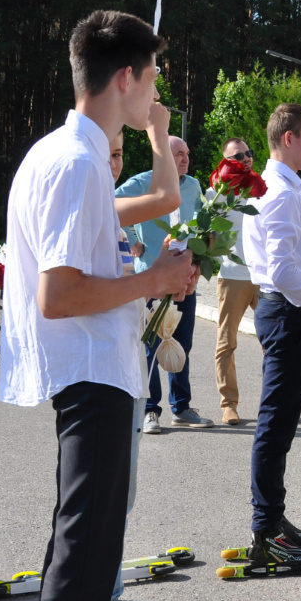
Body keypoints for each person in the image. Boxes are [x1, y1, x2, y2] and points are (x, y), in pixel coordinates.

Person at [0, 10, 196, 601]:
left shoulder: (70, 152)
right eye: (153, 78)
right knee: (85, 550)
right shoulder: (77, 160)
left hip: (95, 369)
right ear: (127, 79)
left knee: (80, 546)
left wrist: (151, 273)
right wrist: (157, 280)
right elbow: (59, 292)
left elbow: (88, 261)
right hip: (91, 372)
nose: (155, 92)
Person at [98, 128, 175, 601]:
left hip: (124, 366)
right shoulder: (95, 210)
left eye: (119, 155)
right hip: (101, 374)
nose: (111, 164)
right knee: (105, 502)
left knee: (119, 500)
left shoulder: (112, 211)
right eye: (104, 154)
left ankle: (109, 596)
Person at [241, 103, 301, 568]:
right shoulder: (278, 192)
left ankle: (274, 522)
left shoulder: (277, 187)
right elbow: (280, 270)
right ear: (289, 139)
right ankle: (267, 532)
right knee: (275, 427)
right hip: (288, 310)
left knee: (280, 427)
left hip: (286, 310)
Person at [116, 135, 214, 432]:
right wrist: (134, 242)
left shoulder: (193, 186)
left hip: (184, 278)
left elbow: (202, 222)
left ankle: (181, 407)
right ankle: (149, 410)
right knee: (151, 345)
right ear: (163, 160)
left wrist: (203, 251)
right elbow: (111, 204)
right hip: (153, 277)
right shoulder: (143, 182)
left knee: (182, 343)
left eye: (187, 153)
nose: (185, 159)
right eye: (178, 154)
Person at [213, 136, 261, 426]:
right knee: (226, 342)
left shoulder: (261, 188)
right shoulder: (216, 194)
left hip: (265, 276)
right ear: (226, 162)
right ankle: (228, 404)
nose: (245, 159)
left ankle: (274, 403)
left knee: (275, 343)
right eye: (237, 157)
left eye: (248, 154)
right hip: (233, 275)